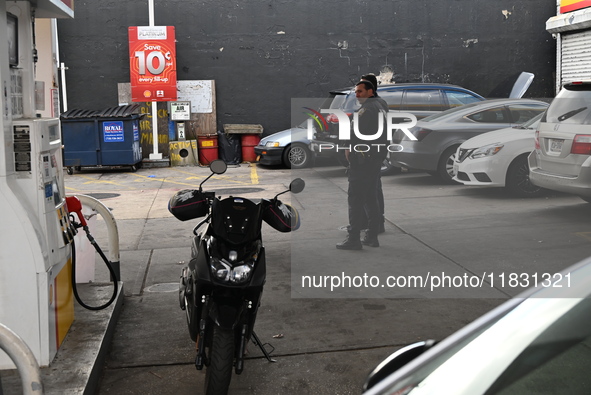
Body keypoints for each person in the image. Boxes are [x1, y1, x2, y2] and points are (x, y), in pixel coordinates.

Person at [336, 80, 388, 250]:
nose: (357, 95)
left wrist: (348, 147)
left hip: (363, 160)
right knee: (371, 197)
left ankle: (354, 239)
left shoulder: (366, 110)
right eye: (356, 92)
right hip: (375, 158)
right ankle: (372, 236)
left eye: (360, 91)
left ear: (370, 92)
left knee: (355, 199)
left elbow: (354, 132)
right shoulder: (381, 104)